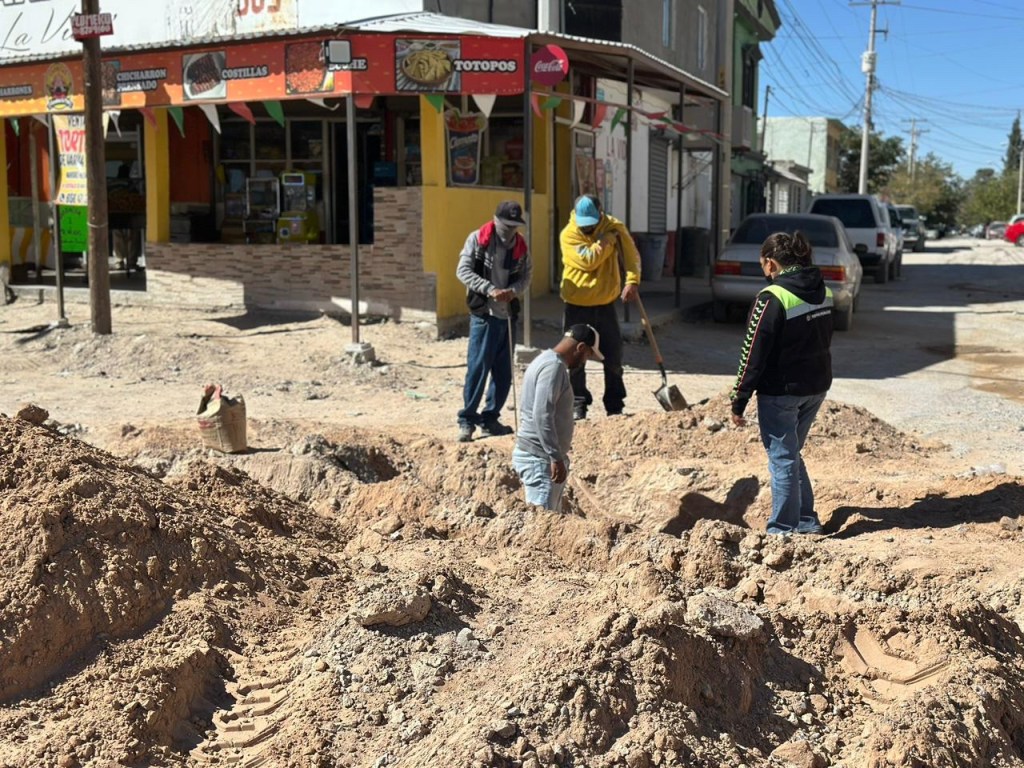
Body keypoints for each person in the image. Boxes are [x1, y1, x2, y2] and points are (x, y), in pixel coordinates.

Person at [729, 231, 834, 536]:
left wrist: (739, 399)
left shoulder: (771, 298)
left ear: (771, 263)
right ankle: (806, 521)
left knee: (783, 458)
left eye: (763, 265)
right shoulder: (823, 289)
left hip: (782, 392)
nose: (764, 271)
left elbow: (752, 353)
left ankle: (782, 530)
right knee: (791, 453)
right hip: (816, 387)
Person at [456, 200, 533, 442]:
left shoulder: (520, 246)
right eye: (506, 225)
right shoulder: (478, 240)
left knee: (503, 373)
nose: (510, 230)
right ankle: (467, 420)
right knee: (478, 369)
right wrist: (489, 289)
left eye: (514, 226)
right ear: (496, 220)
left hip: (507, 315)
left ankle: (490, 419)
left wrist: (512, 291)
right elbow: (463, 271)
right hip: (484, 314)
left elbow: (526, 276)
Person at [559, 194, 641, 420]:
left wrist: (632, 280)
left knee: (613, 357)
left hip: (605, 305)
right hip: (576, 305)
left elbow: (631, 255)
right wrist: (607, 240)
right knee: (574, 359)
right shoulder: (569, 234)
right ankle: (578, 403)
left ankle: (614, 405)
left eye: (591, 224)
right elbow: (588, 260)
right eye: (584, 225)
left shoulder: (614, 227)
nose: (587, 229)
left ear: (600, 214)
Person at [512, 324, 604, 510]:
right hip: (540, 459)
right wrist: (555, 456)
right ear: (580, 348)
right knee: (541, 521)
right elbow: (542, 414)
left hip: (541, 457)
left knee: (548, 519)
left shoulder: (546, 360)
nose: (585, 361)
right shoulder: (553, 368)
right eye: (587, 355)